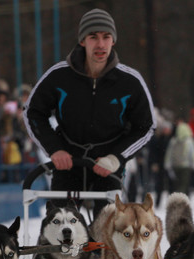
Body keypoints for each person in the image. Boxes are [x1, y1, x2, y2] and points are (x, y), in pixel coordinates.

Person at [24, 8, 155, 217]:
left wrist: (116, 157)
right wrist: (55, 149)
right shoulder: (59, 76)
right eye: (93, 37)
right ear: (83, 41)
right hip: (68, 162)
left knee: (106, 231)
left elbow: (146, 127)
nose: (100, 44)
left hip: (108, 165)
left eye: (106, 37)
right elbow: (32, 112)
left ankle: (98, 249)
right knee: (59, 227)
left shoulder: (130, 82)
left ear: (113, 41)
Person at [164, 122, 194, 195]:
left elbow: (169, 154)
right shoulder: (189, 141)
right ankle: (183, 200)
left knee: (176, 185)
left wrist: (167, 164)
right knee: (184, 185)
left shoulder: (173, 141)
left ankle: (177, 198)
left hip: (175, 166)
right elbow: (193, 154)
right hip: (185, 166)